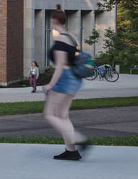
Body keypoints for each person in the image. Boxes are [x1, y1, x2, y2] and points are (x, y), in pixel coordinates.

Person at [42, 9, 89, 161]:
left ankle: (79, 139)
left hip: (65, 78)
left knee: (49, 114)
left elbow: (60, 65)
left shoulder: (61, 40)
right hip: (74, 78)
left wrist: (50, 84)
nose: (50, 21)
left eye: (51, 19)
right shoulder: (71, 37)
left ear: (55, 20)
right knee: (62, 115)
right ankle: (71, 151)